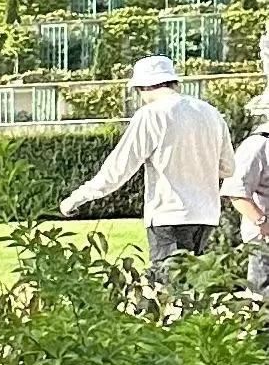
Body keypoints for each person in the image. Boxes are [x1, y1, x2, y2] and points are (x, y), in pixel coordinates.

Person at [60, 54, 236, 268]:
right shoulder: (210, 113)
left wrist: (77, 198)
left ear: (142, 87)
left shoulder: (151, 114)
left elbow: (119, 168)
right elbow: (228, 168)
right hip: (206, 215)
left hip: (168, 216)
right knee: (194, 287)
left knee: (166, 289)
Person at [226, 98, 269, 300]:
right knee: (263, 305)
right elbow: (236, 191)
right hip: (264, 243)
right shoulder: (257, 145)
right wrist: (263, 222)